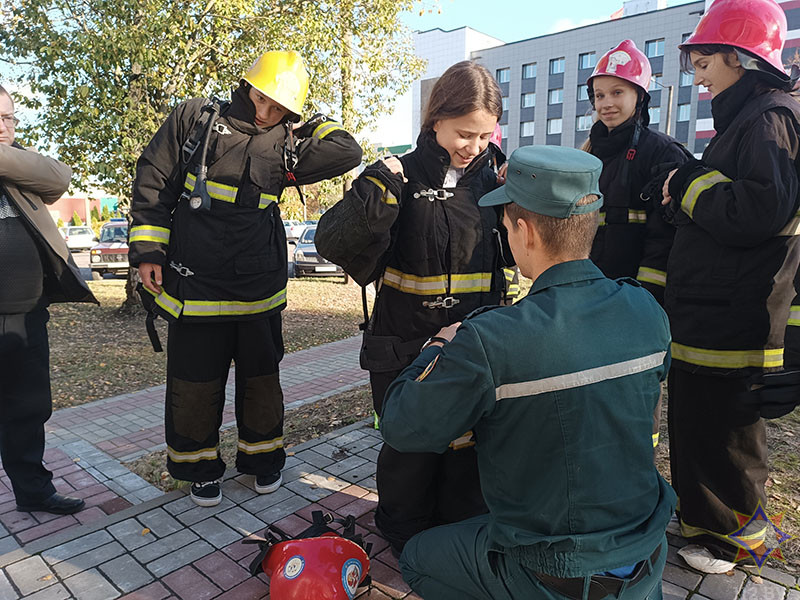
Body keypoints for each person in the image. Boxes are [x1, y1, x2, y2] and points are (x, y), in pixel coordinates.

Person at [381, 144, 675, 600]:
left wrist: (440, 344)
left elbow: (401, 425)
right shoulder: (644, 309)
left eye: (505, 224)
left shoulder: (491, 339)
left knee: (419, 558)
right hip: (643, 550)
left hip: (552, 568)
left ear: (525, 231)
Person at [129, 51, 362, 507]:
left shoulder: (289, 142)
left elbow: (348, 151)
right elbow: (154, 182)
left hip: (258, 284)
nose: (265, 112)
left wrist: (311, 125)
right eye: (261, 98)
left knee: (261, 381)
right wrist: (148, 251)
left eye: (279, 107)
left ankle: (263, 461)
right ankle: (200, 469)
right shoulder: (195, 118)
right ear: (247, 84)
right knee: (194, 384)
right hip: (193, 281)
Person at [315, 60, 516, 555]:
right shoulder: (395, 176)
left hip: (473, 342)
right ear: (435, 121)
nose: (473, 147)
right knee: (410, 445)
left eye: (484, 136)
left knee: (468, 441)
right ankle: (403, 532)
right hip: (404, 343)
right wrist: (372, 197)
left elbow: (516, 257)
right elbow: (332, 245)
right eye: (464, 134)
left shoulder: (495, 181)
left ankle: (461, 528)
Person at [661, 0, 800, 570]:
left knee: (726, 437)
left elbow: (758, 213)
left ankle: (734, 538)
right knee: (697, 424)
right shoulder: (749, 119)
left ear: (740, 58)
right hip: (711, 314)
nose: (697, 74)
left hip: (737, 319)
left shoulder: (771, 118)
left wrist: (690, 179)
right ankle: (704, 522)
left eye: (704, 60)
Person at [0, 84, 96, 515]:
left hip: (26, 311)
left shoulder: (21, 166)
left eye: (9, 118)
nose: (5, 127)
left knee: (29, 407)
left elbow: (59, 178)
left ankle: (33, 492)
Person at [584, 39, 691, 304]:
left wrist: (644, 296)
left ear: (640, 97)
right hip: (589, 290)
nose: (606, 103)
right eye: (599, 95)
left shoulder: (662, 152)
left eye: (617, 92)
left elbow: (666, 236)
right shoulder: (587, 154)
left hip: (637, 295)